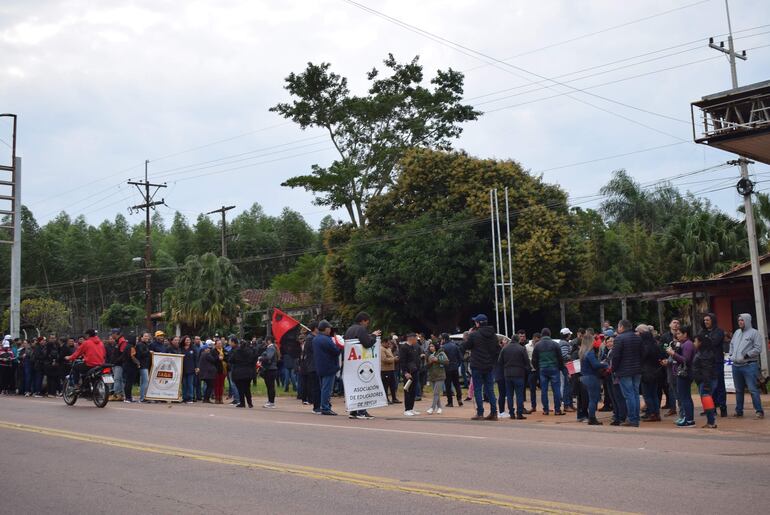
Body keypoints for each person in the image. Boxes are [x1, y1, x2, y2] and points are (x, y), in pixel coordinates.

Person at [343, 312, 382, 420]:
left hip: (351, 363)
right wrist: (374, 336)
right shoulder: (361, 329)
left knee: (355, 386)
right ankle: (362, 411)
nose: (367, 324)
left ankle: (353, 411)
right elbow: (367, 343)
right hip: (361, 362)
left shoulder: (349, 329)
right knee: (363, 385)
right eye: (367, 322)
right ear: (363, 321)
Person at [463, 314, 501, 421]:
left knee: (478, 389)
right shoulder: (493, 336)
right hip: (489, 366)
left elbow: (466, 346)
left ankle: (480, 413)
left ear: (478, 323)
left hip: (477, 366)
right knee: (490, 390)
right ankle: (494, 413)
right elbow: (497, 351)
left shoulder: (474, 335)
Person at [729, 313, 765, 419]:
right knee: (738, 390)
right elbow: (731, 345)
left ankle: (759, 411)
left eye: (742, 320)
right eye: (739, 320)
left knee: (753, 389)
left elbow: (758, 348)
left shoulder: (755, 333)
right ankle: (739, 411)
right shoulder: (736, 332)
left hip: (749, 365)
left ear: (747, 321)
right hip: (736, 366)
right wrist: (731, 355)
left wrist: (746, 355)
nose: (740, 322)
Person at [612, 320, 643, 427]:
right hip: (637, 369)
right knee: (635, 394)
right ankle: (636, 417)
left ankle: (632, 419)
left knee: (629, 395)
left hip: (624, 370)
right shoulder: (638, 338)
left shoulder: (619, 338)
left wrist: (614, 369)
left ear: (621, 327)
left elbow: (616, 356)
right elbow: (642, 354)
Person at [498, 332, 531, 420]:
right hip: (519, 374)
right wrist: (527, 370)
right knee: (519, 395)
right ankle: (519, 413)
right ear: (518, 340)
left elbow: (500, 362)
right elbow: (526, 362)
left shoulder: (505, 349)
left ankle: (511, 413)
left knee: (509, 395)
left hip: (508, 374)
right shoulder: (521, 348)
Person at [667, 325, 696, 427]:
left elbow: (685, 360)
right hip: (683, 373)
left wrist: (673, 354)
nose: (677, 335)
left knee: (684, 397)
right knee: (685, 396)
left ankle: (689, 420)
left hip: (685, 373)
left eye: (679, 333)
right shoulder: (684, 343)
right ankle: (688, 418)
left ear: (685, 334)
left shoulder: (688, 344)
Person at [532, 328, 564, 416]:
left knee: (544, 390)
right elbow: (560, 358)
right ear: (549, 334)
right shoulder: (555, 344)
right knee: (556, 389)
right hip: (554, 368)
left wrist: (538, 368)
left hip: (542, 369)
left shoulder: (537, 345)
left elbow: (534, 360)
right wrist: (560, 367)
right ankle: (557, 410)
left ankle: (546, 410)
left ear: (542, 335)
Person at [578, 330, 608, 425]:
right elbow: (595, 365)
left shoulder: (582, 352)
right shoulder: (590, 352)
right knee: (593, 399)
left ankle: (589, 417)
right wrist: (604, 364)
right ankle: (592, 418)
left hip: (584, 377)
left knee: (589, 398)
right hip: (591, 377)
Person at [701, 313, 727, 418]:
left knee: (720, 385)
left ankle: (723, 407)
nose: (706, 322)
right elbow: (699, 342)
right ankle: (713, 408)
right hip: (706, 363)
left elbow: (713, 343)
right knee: (710, 387)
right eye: (704, 320)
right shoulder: (702, 332)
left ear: (713, 320)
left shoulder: (719, 331)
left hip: (717, 362)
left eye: (708, 320)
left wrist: (705, 340)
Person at [313, 320, 341, 416]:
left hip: (320, 367)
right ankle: (325, 407)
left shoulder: (315, 339)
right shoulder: (327, 339)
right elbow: (336, 351)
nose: (330, 330)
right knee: (327, 389)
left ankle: (324, 406)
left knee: (323, 388)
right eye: (329, 328)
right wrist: (339, 346)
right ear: (326, 329)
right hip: (329, 367)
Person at [639, 324, 664, 422]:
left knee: (647, 394)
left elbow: (642, 358)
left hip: (646, 372)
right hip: (656, 372)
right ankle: (656, 413)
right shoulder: (656, 345)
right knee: (654, 394)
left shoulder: (645, 347)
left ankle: (652, 413)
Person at [692, 334, 717, 429]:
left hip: (706, 381)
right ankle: (711, 421)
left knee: (707, 400)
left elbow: (706, 371)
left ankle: (711, 422)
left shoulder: (704, 354)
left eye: (695, 341)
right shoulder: (704, 352)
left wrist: (706, 384)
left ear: (700, 343)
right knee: (707, 400)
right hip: (705, 380)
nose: (694, 343)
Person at [230, 339, 258, 408]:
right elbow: (254, 358)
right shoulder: (249, 352)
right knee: (247, 388)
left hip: (238, 372)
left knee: (240, 389)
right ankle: (250, 403)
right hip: (248, 372)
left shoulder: (236, 351)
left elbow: (231, 360)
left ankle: (242, 403)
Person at [661, 319, 681, 417]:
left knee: (680, 386)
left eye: (678, 323)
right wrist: (663, 360)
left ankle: (682, 408)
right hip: (668, 365)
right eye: (674, 322)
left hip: (679, 365)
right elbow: (662, 348)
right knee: (670, 386)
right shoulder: (665, 336)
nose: (676, 325)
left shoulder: (682, 335)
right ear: (670, 324)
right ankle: (672, 407)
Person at [400, 333, 422, 416]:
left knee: (413, 390)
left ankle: (411, 408)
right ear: (411, 338)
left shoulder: (414, 347)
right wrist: (405, 372)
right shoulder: (404, 348)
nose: (416, 340)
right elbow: (402, 361)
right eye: (416, 339)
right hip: (408, 373)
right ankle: (407, 409)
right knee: (408, 390)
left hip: (415, 371)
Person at [302, 322, 321, 412]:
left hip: (315, 365)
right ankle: (316, 407)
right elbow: (312, 352)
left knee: (317, 387)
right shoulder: (310, 339)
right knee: (315, 387)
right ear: (315, 328)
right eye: (318, 328)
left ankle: (318, 405)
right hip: (312, 366)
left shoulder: (314, 338)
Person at [441, 333, 463, 407]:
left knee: (448, 385)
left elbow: (442, 359)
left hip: (447, 368)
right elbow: (460, 357)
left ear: (443, 339)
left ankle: (450, 402)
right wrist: (457, 365)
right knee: (457, 384)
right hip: (455, 367)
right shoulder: (455, 346)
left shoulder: (443, 347)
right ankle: (459, 399)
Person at [426, 341, 448, 415]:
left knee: (436, 392)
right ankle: (439, 407)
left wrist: (437, 360)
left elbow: (446, 361)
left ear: (436, 346)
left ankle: (432, 408)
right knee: (436, 393)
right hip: (432, 376)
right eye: (430, 346)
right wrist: (430, 362)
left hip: (440, 376)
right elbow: (426, 365)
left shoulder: (441, 352)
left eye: (432, 346)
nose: (431, 348)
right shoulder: (429, 354)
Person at [558, 328, 575, 412]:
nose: (570, 335)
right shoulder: (564, 344)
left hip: (567, 365)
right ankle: (567, 404)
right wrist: (572, 356)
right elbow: (564, 355)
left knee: (569, 385)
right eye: (569, 334)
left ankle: (570, 404)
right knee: (567, 385)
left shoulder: (562, 343)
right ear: (567, 335)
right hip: (567, 365)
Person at [259, 336, 279, 408]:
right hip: (271, 369)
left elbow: (268, 357)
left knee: (270, 386)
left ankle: (271, 402)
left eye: (266, 340)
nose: (265, 342)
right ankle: (270, 401)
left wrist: (261, 358)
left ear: (269, 341)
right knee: (270, 386)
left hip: (270, 369)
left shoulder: (271, 348)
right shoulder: (273, 347)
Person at [109, 329, 128, 402]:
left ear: (116, 333)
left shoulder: (122, 341)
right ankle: (120, 394)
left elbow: (123, 354)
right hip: (116, 364)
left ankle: (116, 394)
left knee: (117, 379)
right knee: (118, 379)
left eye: (112, 334)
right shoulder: (118, 341)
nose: (111, 335)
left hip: (119, 364)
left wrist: (116, 361)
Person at [380, 337, 399, 405]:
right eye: (388, 343)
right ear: (383, 343)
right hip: (385, 370)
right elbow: (384, 359)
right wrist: (394, 359)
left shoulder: (388, 349)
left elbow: (390, 357)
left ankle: (394, 398)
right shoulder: (381, 349)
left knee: (392, 385)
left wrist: (394, 358)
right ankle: (386, 399)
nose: (389, 345)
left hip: (391, 369)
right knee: (386, 385)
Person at [121, 337, 139, 403]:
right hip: (130, 366)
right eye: (136, 339)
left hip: (125, 365)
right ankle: (128, 398)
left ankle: (127, 397)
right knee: (129, 382)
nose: (137, 341)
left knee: (127, 382)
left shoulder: (127, 346)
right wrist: (138, 363)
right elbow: (132, 356)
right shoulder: (131, 347)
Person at [525, 332, 540, 413]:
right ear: (533, 338)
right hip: (532, 370)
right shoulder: (527, 347)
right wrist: (528, 368)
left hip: (540, 370)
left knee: (544, 388)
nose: (537, 342)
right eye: (537, 340)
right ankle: (533, 406)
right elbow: (525, 359)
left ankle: (545, 407)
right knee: (532, 389)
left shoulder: (540, 346)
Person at [181, 336, 198, 404]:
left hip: (191, 369)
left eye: (189, 340)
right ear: (184, 341)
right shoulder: (181, 348)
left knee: (190, 384)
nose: (188, 341)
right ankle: (184, 398)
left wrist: (197, 367)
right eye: (186, 340)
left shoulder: (193, 349)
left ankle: (190, 398)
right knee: (184, 384)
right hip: (183, 369)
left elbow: (196, 359)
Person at [136, 333, 151, 402]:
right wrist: (149, 352)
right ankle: (142, 398)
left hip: (145, 365)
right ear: (141, 337)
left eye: (147, 336)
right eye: (145, 336)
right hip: (142, 365)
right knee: (145, 381)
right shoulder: (139, 344)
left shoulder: (146, 345)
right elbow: (140, 354)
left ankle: (142, 397)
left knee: (143, 381)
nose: (146, 337)